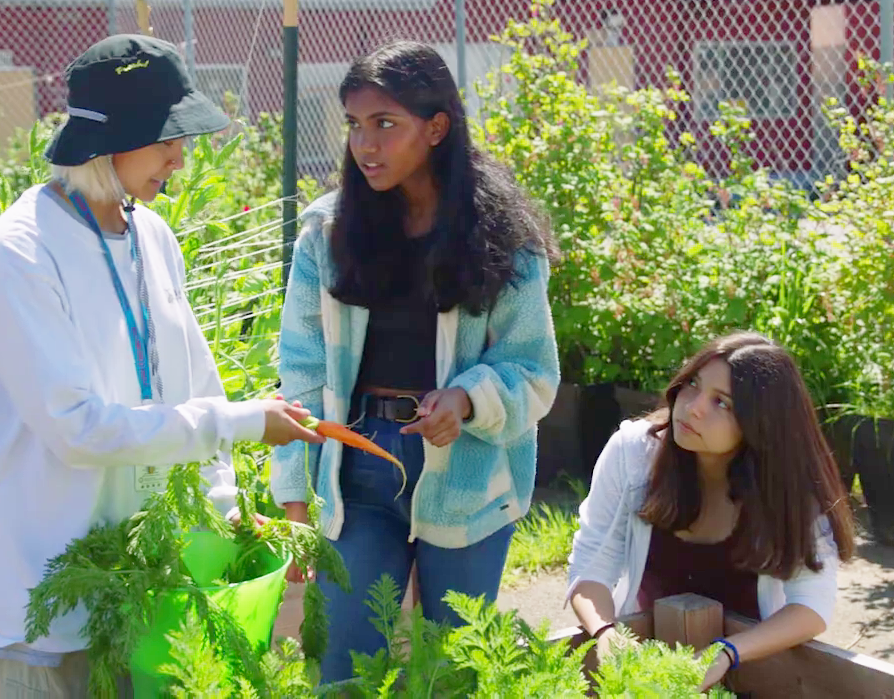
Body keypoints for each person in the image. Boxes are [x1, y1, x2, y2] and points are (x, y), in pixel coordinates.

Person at [0, 34, 322, 698]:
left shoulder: (152, 236)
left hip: (156, 586)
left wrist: (225, 510)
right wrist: (241, 422)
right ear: (113, 141)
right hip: (58, 604)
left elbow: (192, 384)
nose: (180, 158)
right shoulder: (21, 252)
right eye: (166, 139)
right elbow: (78, 429)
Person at [269, 39, 561, 684]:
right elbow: (302, 371)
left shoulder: (505, 240)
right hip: (357, 467)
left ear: (435, 129)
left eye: (385, 125)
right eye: (354, 125)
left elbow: (533, 370)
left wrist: (465, 399)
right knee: (344, 667)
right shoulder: (327, 232)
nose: (365, 145)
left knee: (451, 670)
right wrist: (294, 503)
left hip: (469, 468)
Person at [566, 332, 855, 693]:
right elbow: (591, 563)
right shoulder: (633, 453)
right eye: (693, 384)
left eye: (722, 403)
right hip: (647, 677)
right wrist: (606, 634)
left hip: (752, 674)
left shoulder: (791, 492)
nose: (694, 407)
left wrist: (726, 654)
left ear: (761, 426)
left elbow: (811, 608)